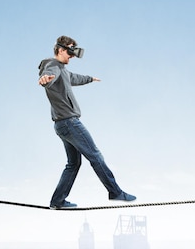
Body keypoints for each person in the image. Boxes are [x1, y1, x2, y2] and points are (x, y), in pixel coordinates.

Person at [38, 35, 136, 209]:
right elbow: (48, 75)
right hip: (70, 123)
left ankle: (57, 201)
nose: (72, 56)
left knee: (73, 163)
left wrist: (90, 78)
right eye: (69, 51)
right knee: (95, 156)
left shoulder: (62, 70)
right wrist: (45, 79)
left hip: (61, 125)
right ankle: (115, 192)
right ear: (60, 50)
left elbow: (74, 78)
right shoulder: (52, 66)